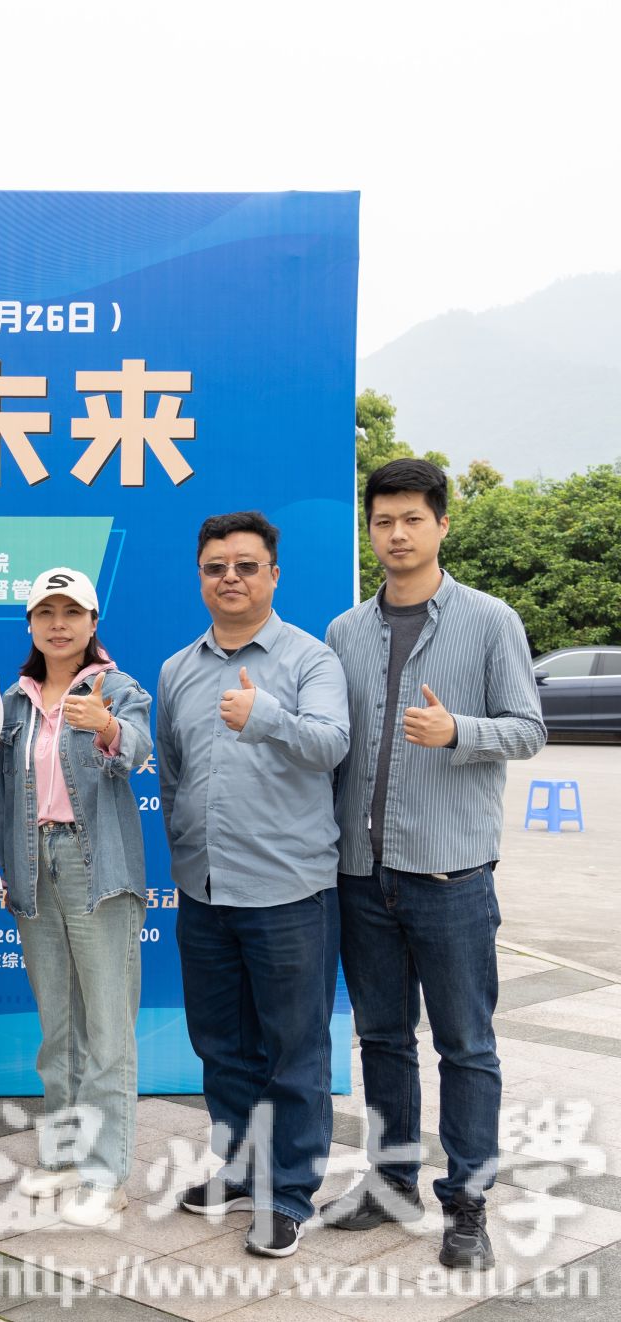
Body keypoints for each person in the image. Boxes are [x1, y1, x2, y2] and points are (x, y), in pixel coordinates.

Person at [318, 459, 544, 1270]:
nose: (398, 534)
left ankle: (468, 1204)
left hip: (451, 875)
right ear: (369, 530)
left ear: (442, 524)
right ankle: (390, 1184)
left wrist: (459, 733)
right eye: (383, 521)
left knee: (466, 1045)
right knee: (382, 1038)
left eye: (413, 518)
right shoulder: (345, 632)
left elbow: (529, 728)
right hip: (362, 873)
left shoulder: (489, 621)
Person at [157, 512, 349, 1259]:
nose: (229, 578)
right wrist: (185, 847)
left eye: (245, 565)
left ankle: (290, 1192)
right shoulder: (178, 669)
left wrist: (265, 716)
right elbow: (173, 773)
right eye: (215, 567)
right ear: (200, 577)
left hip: (288, 890)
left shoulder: (311, 660)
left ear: (273, 574)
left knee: (294, 1049)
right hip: (205, 890)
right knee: (221, 1043)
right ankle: (240, 1167)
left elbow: (331, 744)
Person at [0, 568, 154, 1228]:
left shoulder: (119, 688)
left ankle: (107, 1173)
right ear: (31, 624)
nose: (58, 625)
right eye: (46, 613)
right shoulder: (15, 702)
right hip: (34, 868)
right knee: (58, 1026)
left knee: (106, 1026)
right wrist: (8, 869)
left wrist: (107, 725)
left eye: (72, 613)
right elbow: (3, 794)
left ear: (92, 622)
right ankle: (61, 1158)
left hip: (97, 867)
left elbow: (137, 751)